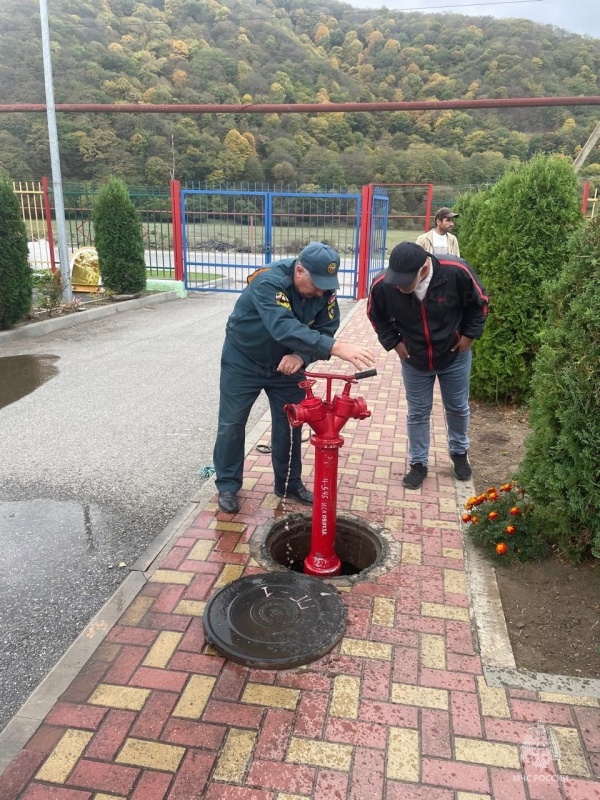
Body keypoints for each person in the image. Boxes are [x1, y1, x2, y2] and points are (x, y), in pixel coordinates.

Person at [214, 241, 376, 514]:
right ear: (299, 271)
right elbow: (281, 325)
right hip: (244, 360)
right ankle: (228, 485)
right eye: (317, 283)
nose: (322, 290)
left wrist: (302, 356)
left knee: (292, 423)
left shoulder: (325, 290)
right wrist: (336, 348)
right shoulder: (268, 282)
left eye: (327, 283)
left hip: (287, 367)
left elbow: (327, 327)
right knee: (231, 424)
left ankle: (288, 483)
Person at [367, 241, 488, 490]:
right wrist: (395, 344)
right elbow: (375, 315)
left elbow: (480, 304)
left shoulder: (456, 271)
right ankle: (418, 463)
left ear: (423, 269)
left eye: (404, 282)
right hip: (414, 360)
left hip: (454, 356)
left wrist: (468, 337)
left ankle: (459, 454)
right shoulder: (383, 285)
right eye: (396, 280)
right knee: (418, 412)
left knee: (456, 407)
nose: (399, 286)